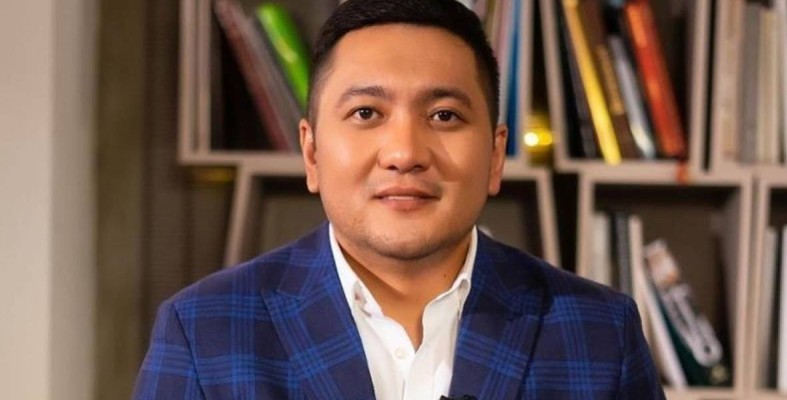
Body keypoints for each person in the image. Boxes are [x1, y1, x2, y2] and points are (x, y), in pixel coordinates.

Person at [133, 0, 665, 398]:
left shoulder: (600, 332)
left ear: (495, 156)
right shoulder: (204, 331)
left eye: (444, 116)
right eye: (366, 113)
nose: (405, 153)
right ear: (312, 152)